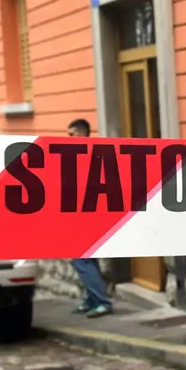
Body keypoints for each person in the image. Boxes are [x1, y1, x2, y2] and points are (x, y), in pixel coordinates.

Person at [67, 118, 113, 318]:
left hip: (90, 214)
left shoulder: (89, 154)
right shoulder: (81, 154)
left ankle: (102, 301)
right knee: (87, 259)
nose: (69, 138)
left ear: (82, 133)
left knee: (81, 259)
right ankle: (92, 299)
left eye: (71, 134)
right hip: (81, 213)